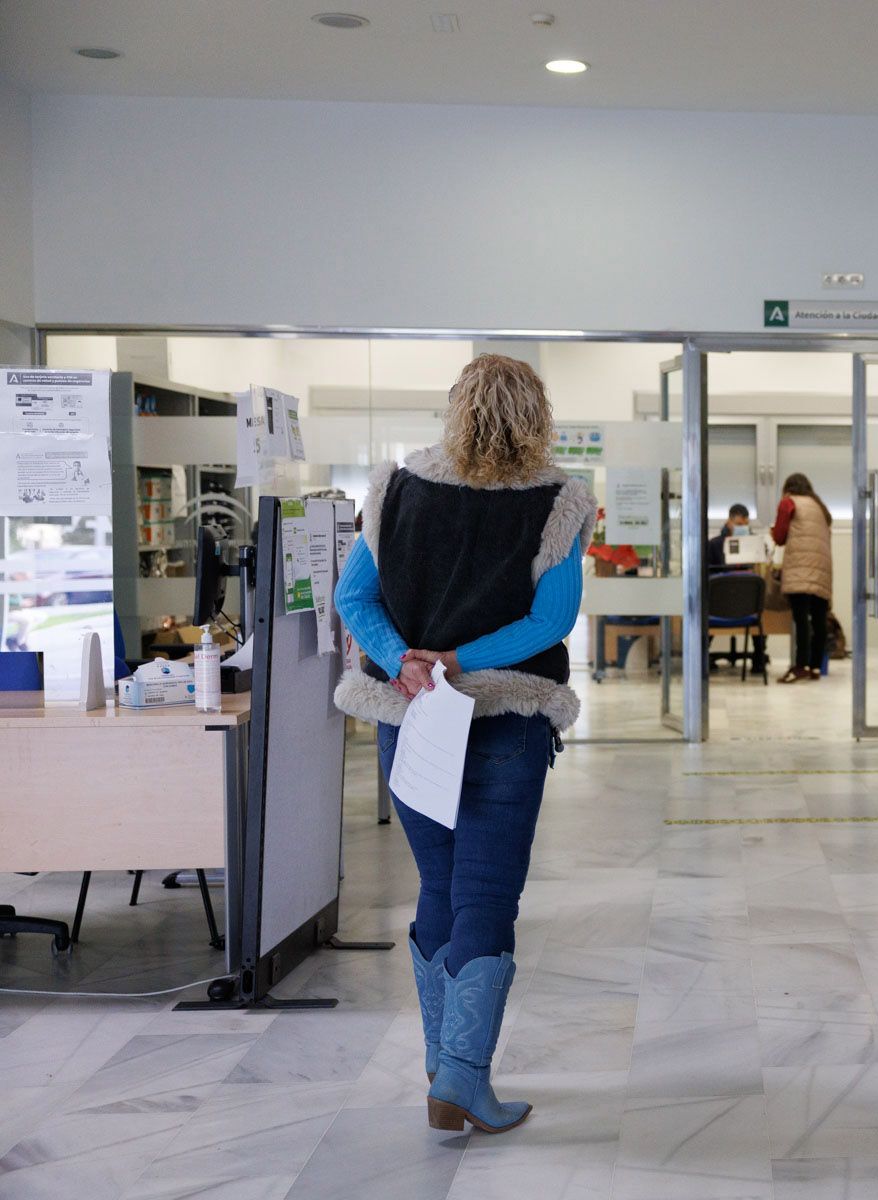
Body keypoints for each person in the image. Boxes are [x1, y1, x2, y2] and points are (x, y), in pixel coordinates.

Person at [334, 353, 594, 1135]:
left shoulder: (397, 489)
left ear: (457, 409)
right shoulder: (560, 500)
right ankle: (462, 1077)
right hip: (507, 719)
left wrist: (407, 662)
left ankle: (442, 1062)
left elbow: (354, 597)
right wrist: (460, 661)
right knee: (485, 893)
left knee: (440, 886)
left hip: (410, 717)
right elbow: (550, 621)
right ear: (537, 415)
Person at [770, 472, 832, 684]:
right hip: (822, 569)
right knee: (819, 619)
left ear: (788, 488)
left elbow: (779, 537)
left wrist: (773, 532)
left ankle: (799, 667)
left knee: (801, 620)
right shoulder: (819, 506)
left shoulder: (788, 502)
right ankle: (815, 667)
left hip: (800, 568)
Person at [708, 502, 752, 569]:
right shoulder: (714, 544)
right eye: (739, 524)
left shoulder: (754, 543)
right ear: (729, 522)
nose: (743, 528)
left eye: (746, 524)